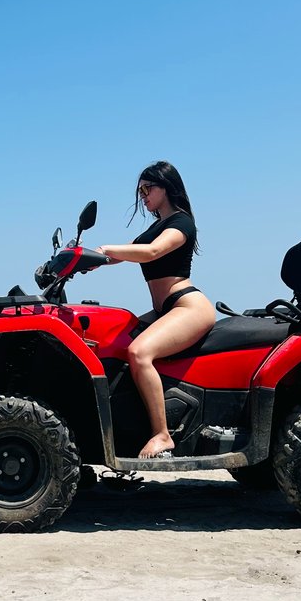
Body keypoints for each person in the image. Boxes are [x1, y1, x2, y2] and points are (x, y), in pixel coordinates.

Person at [96, 160, 216, 458]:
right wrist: (83, 259)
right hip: (165, 309)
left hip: (187, 305)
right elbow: (123, 255)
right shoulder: (155, 227)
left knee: (139, 352)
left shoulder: (182, 222)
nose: (144, 196)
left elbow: (151, 252)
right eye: (140, 191)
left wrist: (107, 249)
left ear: (167, 187)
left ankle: (163, 435)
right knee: (113, 341)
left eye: (148, 189)